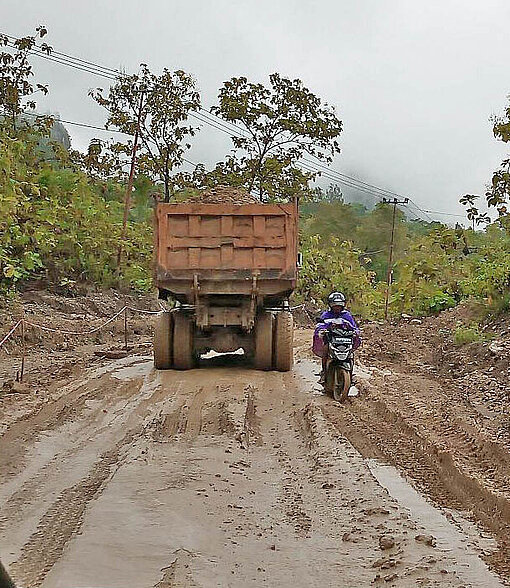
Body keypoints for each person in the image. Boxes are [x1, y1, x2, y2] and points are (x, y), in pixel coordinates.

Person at [313, 291, 361, 384]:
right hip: (331, 339)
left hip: (345, 340)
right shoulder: (326, 315)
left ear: (343, 305)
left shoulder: (347, 315)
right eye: (335, 305)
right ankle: (324, 372)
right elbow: (320, 325)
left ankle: (351, 373)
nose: (337, 307)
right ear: (330, 305)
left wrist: (356, 332)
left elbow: (354, 326)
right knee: (325, 351)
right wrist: (322, 331)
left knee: (350, 354)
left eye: (339, 305)